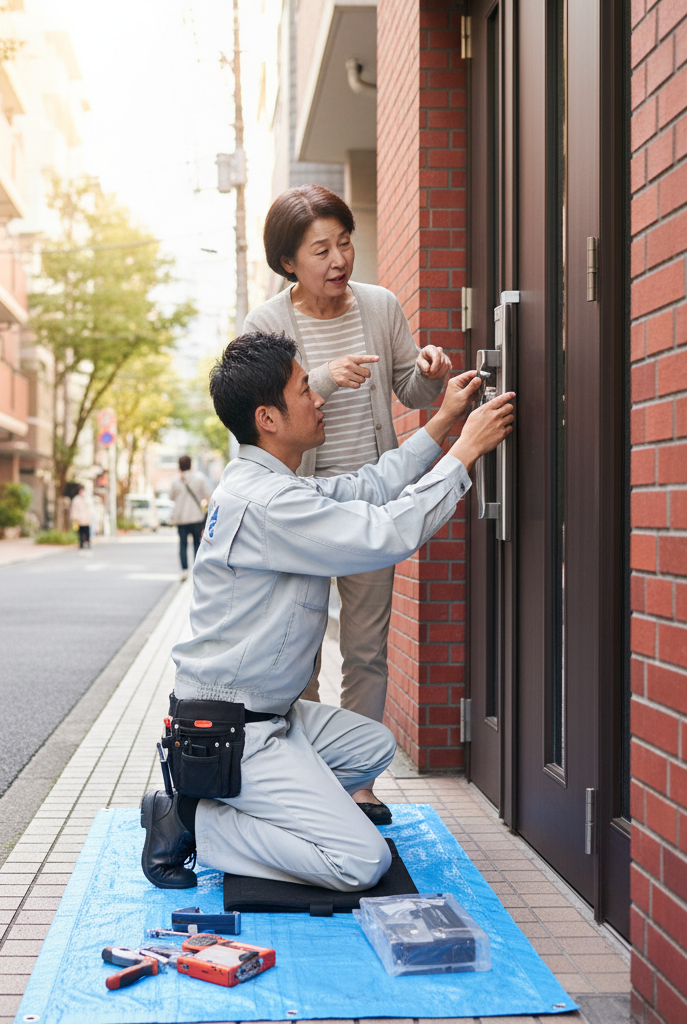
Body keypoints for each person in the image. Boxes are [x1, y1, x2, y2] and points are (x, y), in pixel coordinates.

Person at [139, 331, 513, 892]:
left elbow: (367, 485)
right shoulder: (269, 502)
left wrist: (442, 424)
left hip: (267, 716)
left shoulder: (270, 484)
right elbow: (384, 532)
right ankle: (191, 819)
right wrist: (465, 452)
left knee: (372, 747)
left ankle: (256, 800)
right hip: (232, 732)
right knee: (360, 862)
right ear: (267, 418)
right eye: (303, 389)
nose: (318, 398)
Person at [244, 185, 452, 726]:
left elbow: (409, 389)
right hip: (298, 508)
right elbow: (258, 414)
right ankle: (307, 769)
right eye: (321, 250)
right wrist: (324, 379)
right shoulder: (265, 325)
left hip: (370, 500)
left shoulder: (379, 304)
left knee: (366, 650)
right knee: (298, 654)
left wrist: (429, 373)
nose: (338, 260)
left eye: (345, 243)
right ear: (288, 261)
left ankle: (359, 780)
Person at [170, 455, 211, 581]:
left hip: (181, 518)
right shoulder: (199, 478)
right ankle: (196, 570)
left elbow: (172, 497)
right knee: (197, 544)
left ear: (179, 466)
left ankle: (184, 571)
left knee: (182, 545)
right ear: (191, 464)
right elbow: (208, 495)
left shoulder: (176, 480)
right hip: (196, 517)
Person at [69, 485, 92, 550]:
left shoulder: (85, 498)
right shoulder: (76, 499)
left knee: (87, 531)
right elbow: (74, 509)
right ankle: (81, 544)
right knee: (81, 533)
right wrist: (75, 518)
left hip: (86, 519)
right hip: (80, 519)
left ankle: (87, 543)